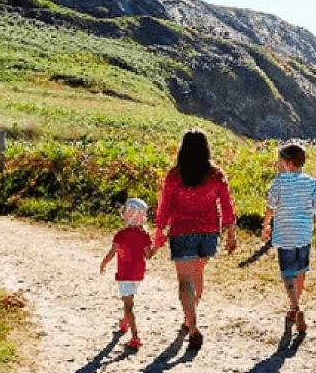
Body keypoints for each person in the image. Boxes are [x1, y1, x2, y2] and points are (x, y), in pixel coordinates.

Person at [152, 130, 238, 352]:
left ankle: (192, 327)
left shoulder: (174, 175)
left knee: (185, 281)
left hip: (182, 231)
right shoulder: (216, 175)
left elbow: (165, 204)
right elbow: (226, 204)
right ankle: (188, 318)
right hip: (209, 233)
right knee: (197, 276)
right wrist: (231, 232)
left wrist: (160, 229)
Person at [262, 143, 316, 335]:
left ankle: (295, 307)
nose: (278, 164)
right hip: (304, 234)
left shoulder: (278, 182)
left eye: (279, 161)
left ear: (287, 164)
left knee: (287, 272)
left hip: (285, 233)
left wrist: (265, 225)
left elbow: (271, 207)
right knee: (301, 270)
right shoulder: (313, 183)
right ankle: (293, 308)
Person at [100, 197, 153, 351]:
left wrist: (104, 263)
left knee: (128, 305)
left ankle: (135, 337)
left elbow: (112, 253)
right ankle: (124, 322)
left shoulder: (121, 234)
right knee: (129, 301)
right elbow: (148, 255)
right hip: (138, 274)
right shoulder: (144, 235)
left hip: (124, 274)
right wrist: (155, 246)